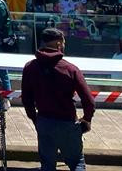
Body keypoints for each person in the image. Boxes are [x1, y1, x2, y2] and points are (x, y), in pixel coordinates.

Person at [22, 27, 96, 171]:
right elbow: (89, 101)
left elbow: (27, 99)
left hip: (44, 121)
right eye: (63, 43)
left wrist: (35, 119)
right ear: (58, 44)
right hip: (67, 122)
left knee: (47, 165)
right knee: (77, 162)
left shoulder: (30, 67)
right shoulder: (70, 69)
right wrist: (86, 119)